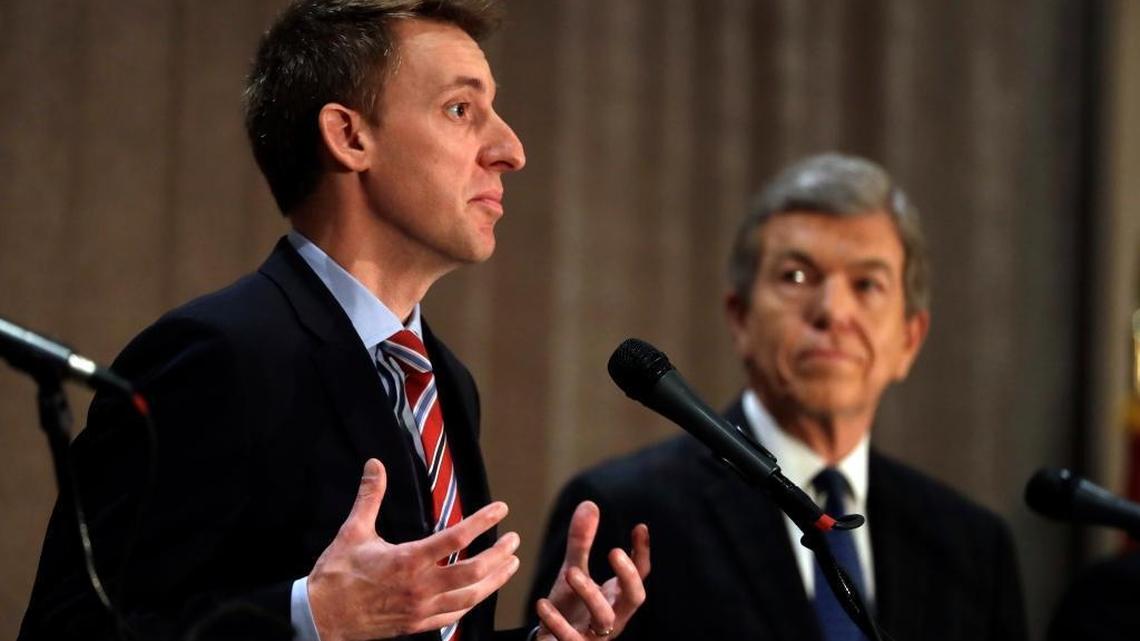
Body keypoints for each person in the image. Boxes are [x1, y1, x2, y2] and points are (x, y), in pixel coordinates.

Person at [18, 2, 649, 640]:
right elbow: (68, 628)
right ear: (350, 137)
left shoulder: (443, 382)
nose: (510, 150)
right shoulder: (218, 356)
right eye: (461, 110)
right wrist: (311, 616)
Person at [528, 153, 1026, 641]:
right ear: (739, 318)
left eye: (866, 284)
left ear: (910, 340)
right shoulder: (625, 511)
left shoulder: (973, 547)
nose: (832, 311)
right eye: (797, 277)